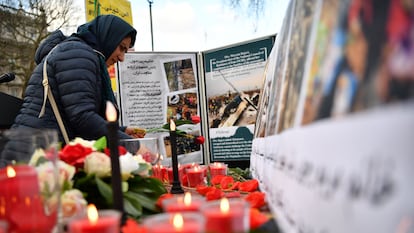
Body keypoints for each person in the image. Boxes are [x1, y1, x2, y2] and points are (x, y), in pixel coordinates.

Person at [1, 15, 146, 164]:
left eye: (125, 52)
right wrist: (132, 145)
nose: (121, 58)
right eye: (121, 48)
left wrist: (121, 131)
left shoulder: (79, 53)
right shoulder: (79, 53)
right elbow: (82, 117)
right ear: (109, 37)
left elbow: (73, 112)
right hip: (34, 157)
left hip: (35, 151)